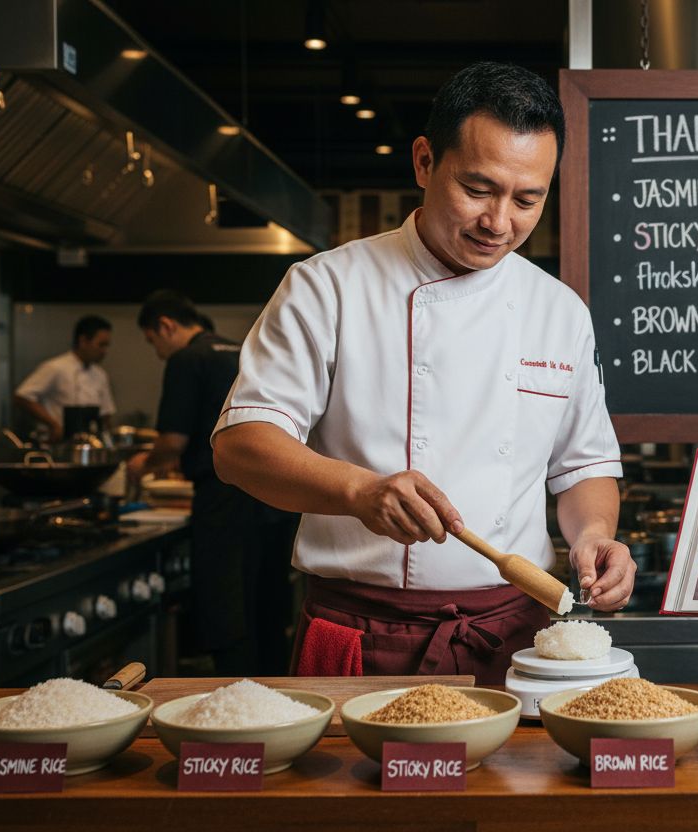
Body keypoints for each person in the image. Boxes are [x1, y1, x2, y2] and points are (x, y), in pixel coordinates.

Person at [212, 62, 634, 684]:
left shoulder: (558, 311)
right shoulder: (328, 286)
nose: (499, 222)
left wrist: (595, 534)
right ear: (423, 162)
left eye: (527, 199)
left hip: (513, 638)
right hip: (359, 631)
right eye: (478, 189)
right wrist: (359, 493)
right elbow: (241, 447)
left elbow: (583, 467)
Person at [128, 291, 298, 675]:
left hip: (224, 500)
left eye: (153, 341)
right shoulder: (240, 350)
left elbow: (173, 441)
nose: (157, 351)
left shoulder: (186, 359)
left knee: (228, 610)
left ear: (165, 326)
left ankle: (236, 706)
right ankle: (278, 705)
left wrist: (144, 463)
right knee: (267, 609)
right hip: (274, 497)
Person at [14, 315, 115, 440]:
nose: (104, 351)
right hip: (56, 442)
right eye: (101, 345)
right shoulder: (55, 367)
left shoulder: (100, 374)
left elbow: (106, 414)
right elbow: (23, 396)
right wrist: (53, 425)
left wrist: (109, 440)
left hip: (89, 442)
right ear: (83, 341)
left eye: (107, 346)